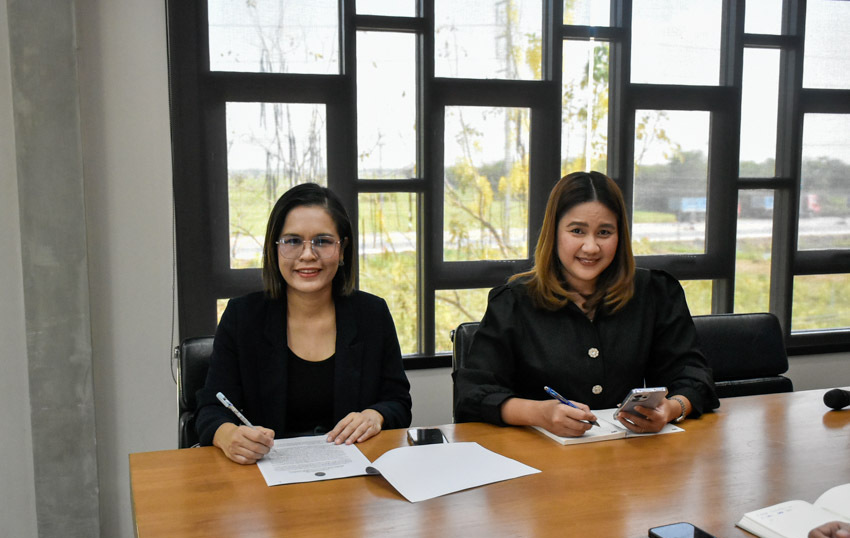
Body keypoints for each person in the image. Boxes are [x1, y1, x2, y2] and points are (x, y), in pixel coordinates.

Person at [454, 171, 719, 436]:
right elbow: (472, 395)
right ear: (554, 233)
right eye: (577, 231)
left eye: (604, 232)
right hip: (537, 453)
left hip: (631, 449)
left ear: (620, 235)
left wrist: (671, 409)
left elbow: (694, 377)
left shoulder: (656, 292)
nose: (591, 247)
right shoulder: (513, 301)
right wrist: (539, 413)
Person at [195, 183, 412, 464]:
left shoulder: (372, 314)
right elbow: (211, 408)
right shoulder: (242, 317)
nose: (308, 255)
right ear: (275, 249)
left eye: (323, 241)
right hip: (263, 474)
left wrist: (375, 415)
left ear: (343, 249)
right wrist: (227, 435)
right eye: (293, 241)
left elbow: (398, 402)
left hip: (352, 474)